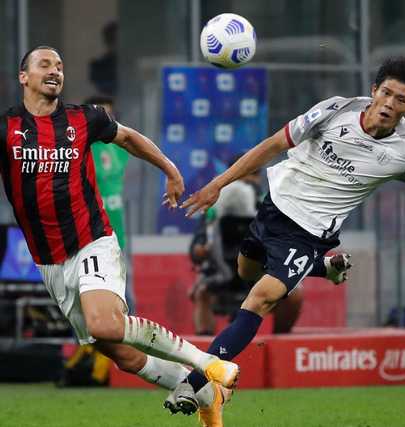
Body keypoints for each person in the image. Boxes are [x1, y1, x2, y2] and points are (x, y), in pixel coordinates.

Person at [167, 57, 405, 425]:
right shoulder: (335, 110)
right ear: (373, 91)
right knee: (246, 270)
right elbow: (274, 144)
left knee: (259, 299)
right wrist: (218, 184)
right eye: (386, 93)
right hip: (273, 207)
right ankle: (323, 268)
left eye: (400, 99)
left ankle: (194, 383)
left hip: (309, 233)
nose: (389, 104)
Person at [0, 46, 238, 406]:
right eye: (44, 64)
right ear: (24, 77)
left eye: (59, 66)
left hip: (91, 240)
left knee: (105, 324)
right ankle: (206, 394)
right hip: (49, 261)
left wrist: (170, 169)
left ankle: (207, 363)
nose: (54, 71)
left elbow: (128, 137)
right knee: (120, 354)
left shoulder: (85, 118)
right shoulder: (7, 128)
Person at [188, 166, 305, 335]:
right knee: (202, 293)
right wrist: (200, 250)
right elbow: (197, 248)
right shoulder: (213, 212)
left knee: (294, 294)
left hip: (261, 275)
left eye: (255, 175)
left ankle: (280, 341)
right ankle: (205, 345)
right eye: (246, 175)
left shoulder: (269, 207)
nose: (251, 180)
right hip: (221, 277)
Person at [87, 95, 135, 312]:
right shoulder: (80, 148)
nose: (104, 119)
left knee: (125, 295)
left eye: (108, 114)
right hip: (88, 237)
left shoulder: (121, 146)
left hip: (118, 235)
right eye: (100, 114)